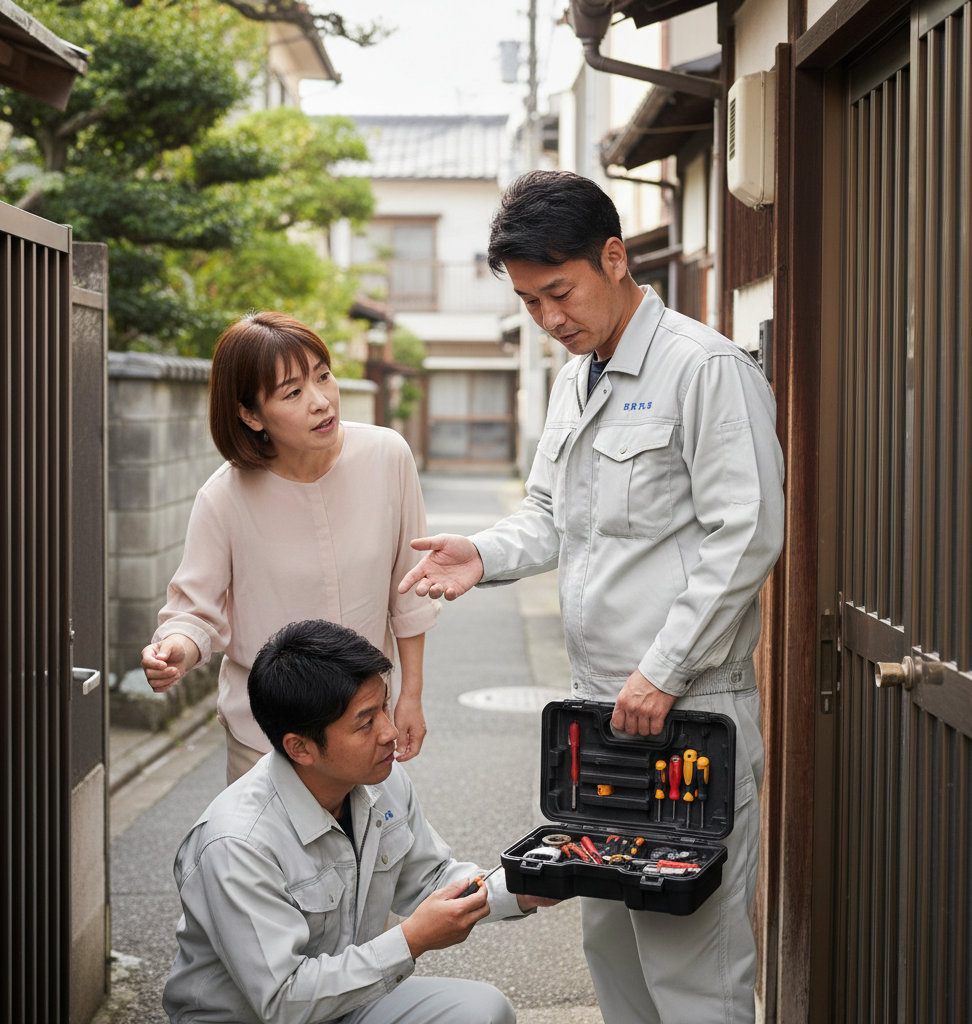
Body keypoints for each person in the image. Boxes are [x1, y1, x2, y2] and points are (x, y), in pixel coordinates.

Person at [398, 171, 785, 1024]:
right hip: (600, 719)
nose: (548, 320)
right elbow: (547, 517)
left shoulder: (704, 368)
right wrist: (481, 554)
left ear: (615, 258)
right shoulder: (579, 379)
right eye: (530, 303)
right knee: (612, 950)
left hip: (688, 712)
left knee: (691, 969)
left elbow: (746, 535)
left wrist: (664, 670)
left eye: (558, 293)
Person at [163, 619, 556, 1024]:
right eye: (365, 723)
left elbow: (431, 878)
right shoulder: (237, 843)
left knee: (483, 1011)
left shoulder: (377, 779)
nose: (388, 732)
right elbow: (283, 1000)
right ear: (300, 748)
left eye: (383, 706)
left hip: (347, 1000)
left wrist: (527, 885)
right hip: (256, 1016)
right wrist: (411, 940)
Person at [141, 312, 438, 783]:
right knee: (268, 858)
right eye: (293, 392)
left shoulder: (387, 456)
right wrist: (175, 649)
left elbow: (409, 590)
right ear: (250, 414)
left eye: (323, 376)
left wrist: (411, 696)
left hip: (366, 731)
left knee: (376, 855)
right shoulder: (224, 496)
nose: (321, 401)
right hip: (267, 741)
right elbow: (194, 610)